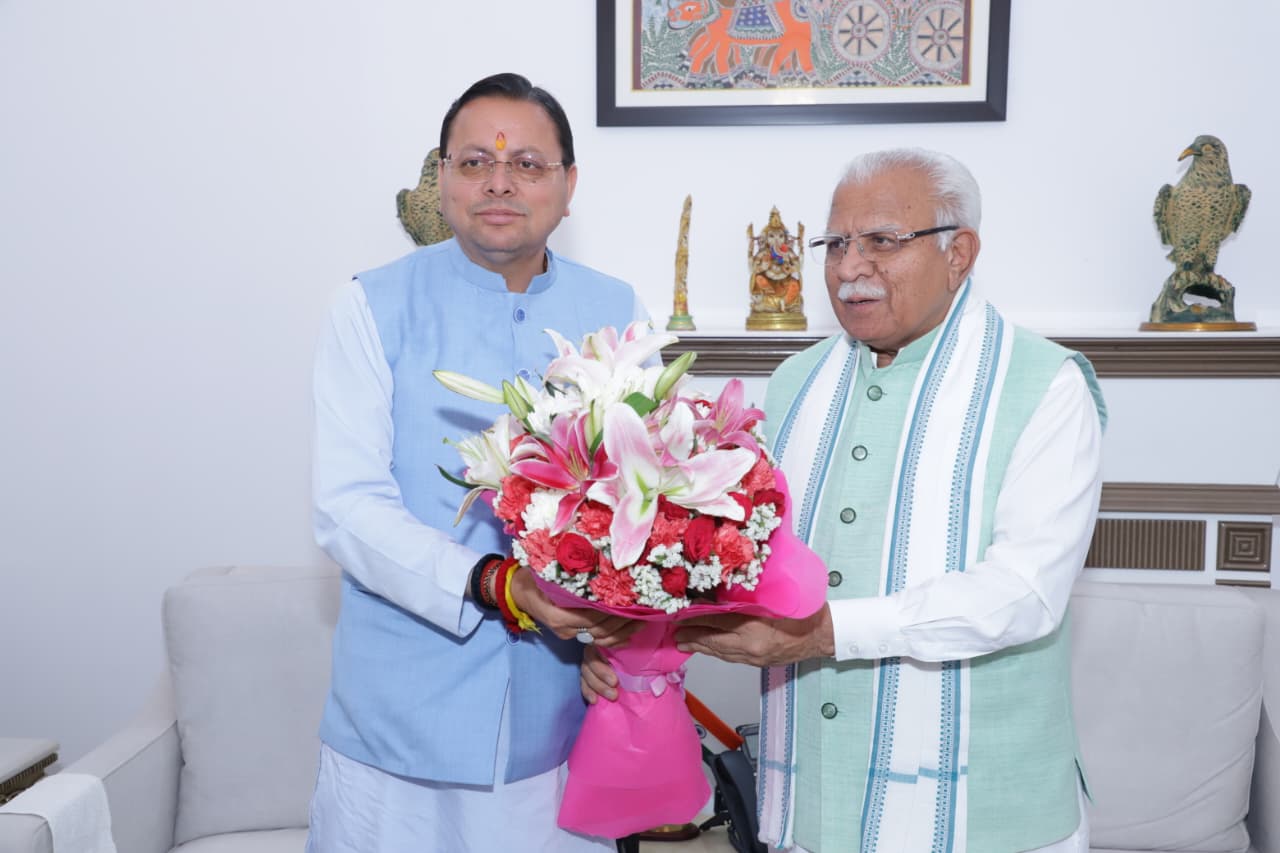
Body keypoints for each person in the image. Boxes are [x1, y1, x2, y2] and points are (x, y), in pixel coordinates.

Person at [587, 148, 1106, 852]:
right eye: (835, 243)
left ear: (959, 253)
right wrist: (641, 646)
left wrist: (827, 633)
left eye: (882, 241)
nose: (848, 266)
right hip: (815, 800)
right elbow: (743, 561)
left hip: (981, 814)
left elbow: (1024, 593)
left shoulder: (1044, 385)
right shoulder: (797, 382)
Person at [307, 72, 644, 853]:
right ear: (442, 177)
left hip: (560, 724)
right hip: (397, 726)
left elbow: (643, 504)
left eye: (527, 163)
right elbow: (347, 507)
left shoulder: (618, 313)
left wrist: (625, 640)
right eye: (474, 162)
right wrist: (495, 583)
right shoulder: (368, 306)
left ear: (568, 185)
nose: (499, 182)